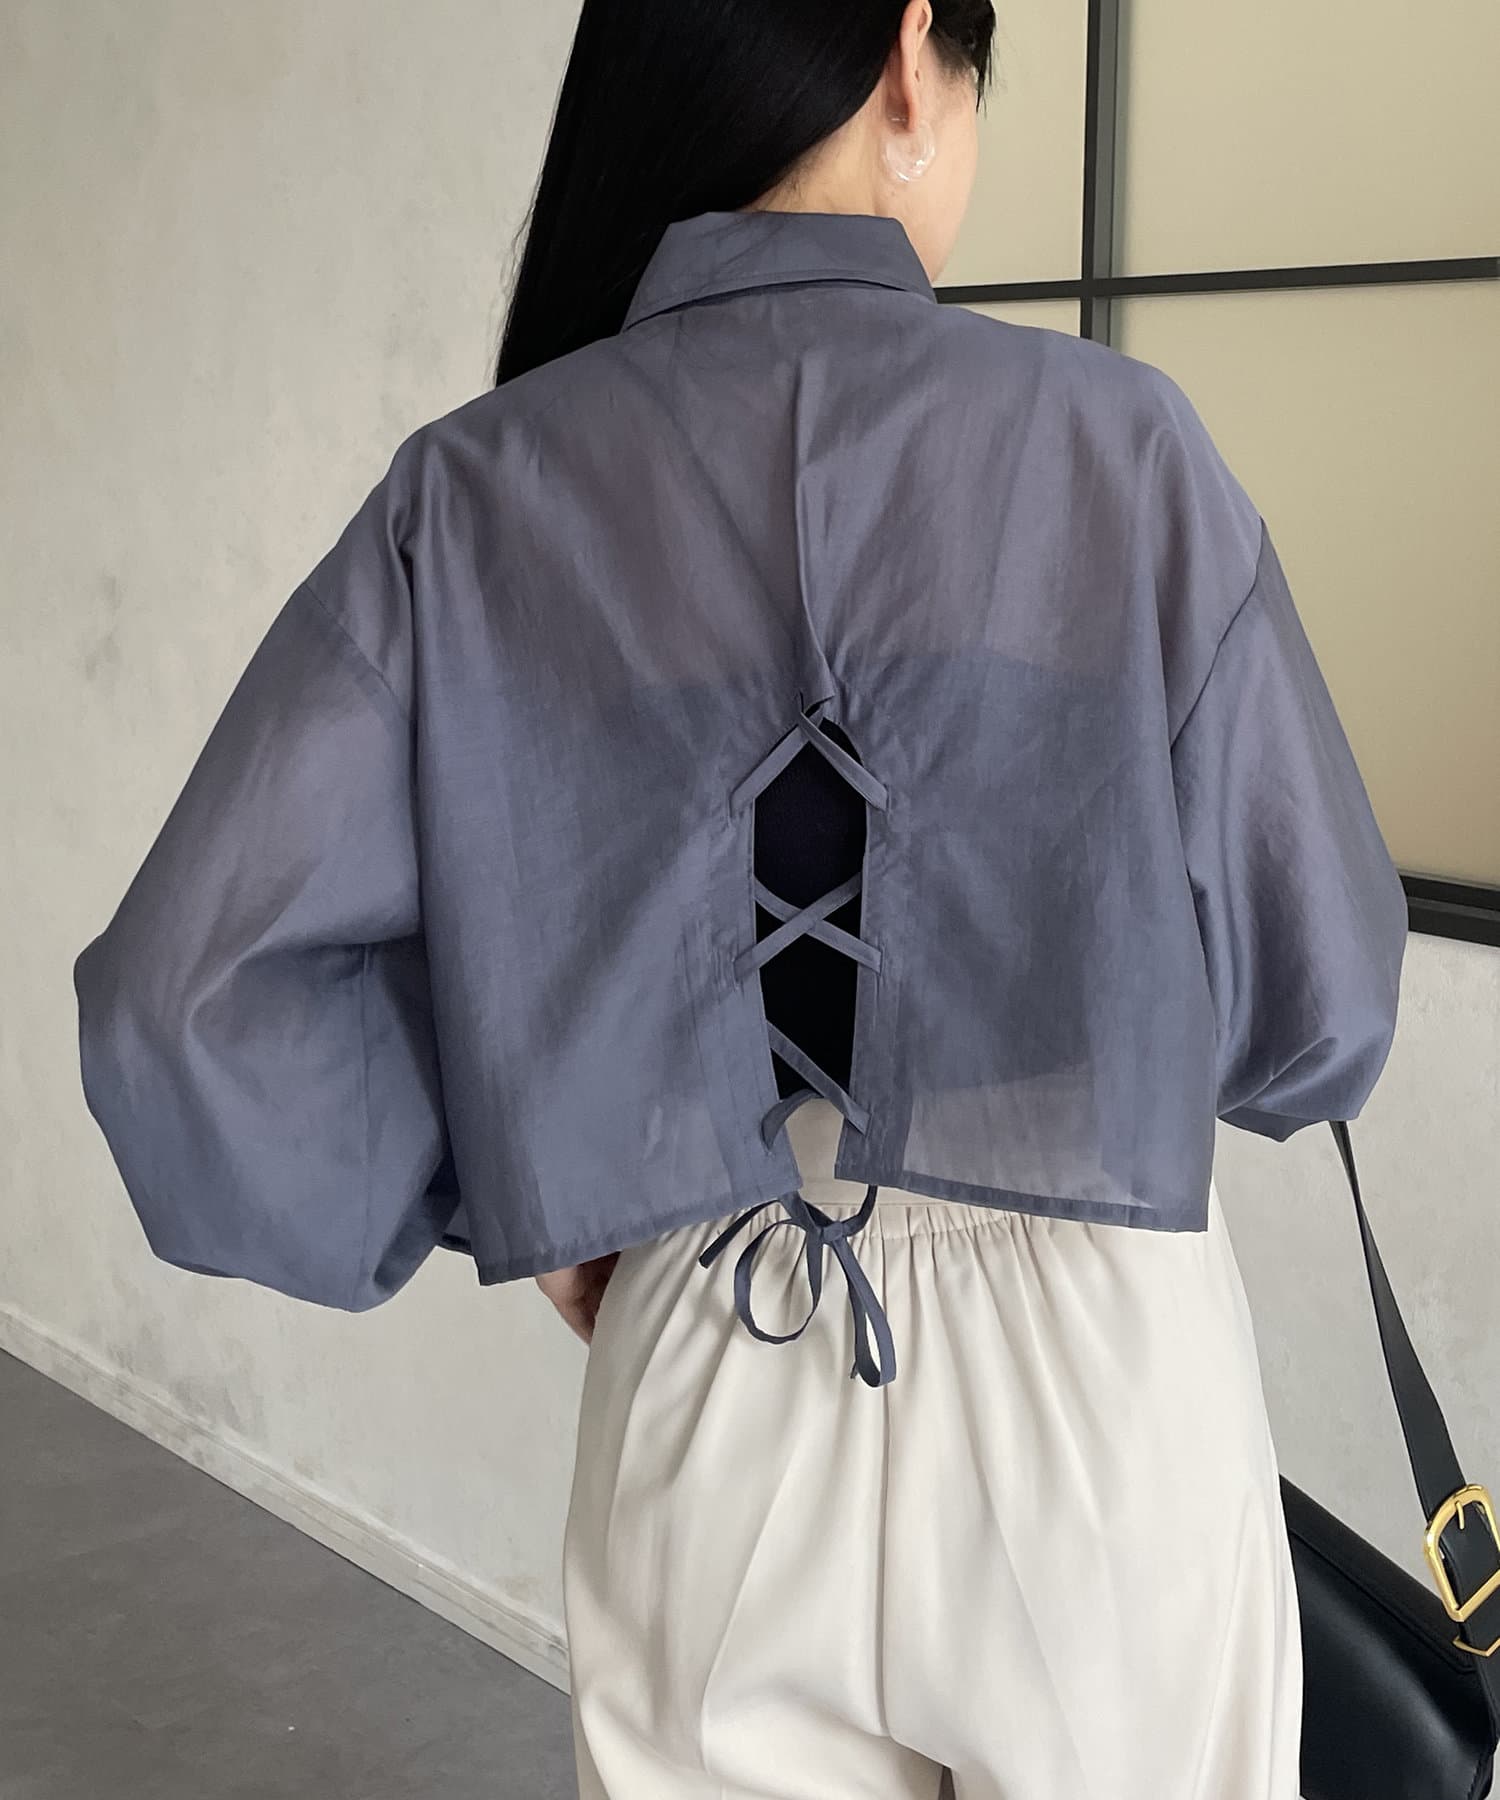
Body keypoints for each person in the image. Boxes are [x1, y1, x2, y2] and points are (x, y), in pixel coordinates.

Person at [73, 1, 1409, 1795]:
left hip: (708, 1331)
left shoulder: (473, 494)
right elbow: (1322, 1015)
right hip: (1096, 1382)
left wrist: (540, 1158)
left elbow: (182, 1009)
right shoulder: (1116, 445)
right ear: (913, 57)